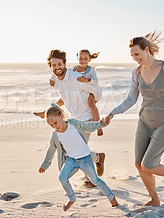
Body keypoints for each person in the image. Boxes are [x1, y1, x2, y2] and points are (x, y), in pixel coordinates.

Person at [103, 31, 164, 206]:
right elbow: (131, 99)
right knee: (138, 163)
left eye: (137, 54)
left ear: (147, 50)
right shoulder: (136, 73)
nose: (135, 58)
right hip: (144, 121)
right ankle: (155, 200)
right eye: (132, 55)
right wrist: (113, 113)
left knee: (148, 165)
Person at [34, 49, 106, 187]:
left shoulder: (76, 77)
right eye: (54, 65)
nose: (57, 67)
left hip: (86, 117)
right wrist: (47, 111)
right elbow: (64, 98)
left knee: (79, 148)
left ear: (65, 63)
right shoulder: (56, 80)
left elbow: (98, 90)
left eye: (59, 64)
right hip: (74, 118)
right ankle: (97, 158)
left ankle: (90, 177)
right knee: (75, 148)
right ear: (50, 67)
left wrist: (92, 100)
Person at [38, 105, 118, 211]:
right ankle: (72, 199)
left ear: (61, 116)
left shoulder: (73, 124)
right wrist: (45, 165)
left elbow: (87, 126)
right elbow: (51, 150)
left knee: (95, 180)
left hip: (85, 158)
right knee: (62, 178)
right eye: (51, 125)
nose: (54, 126)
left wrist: (101, 124)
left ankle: (112, 198)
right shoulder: (55, 135)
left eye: (55, 123)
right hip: (71, 160)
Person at [49, 49, 104, 136]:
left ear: (89, 60)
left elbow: (96, 84)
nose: (83, 61)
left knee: (91, 104)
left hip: (89, 93)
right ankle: (50, 110)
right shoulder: (73, 70)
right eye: (81, 59)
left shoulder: (90, 71)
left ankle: (99, 126)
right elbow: (61, 73)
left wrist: (88, 81)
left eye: (85, 59)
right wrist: (52, 79)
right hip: (75, 111)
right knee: (65, 96)